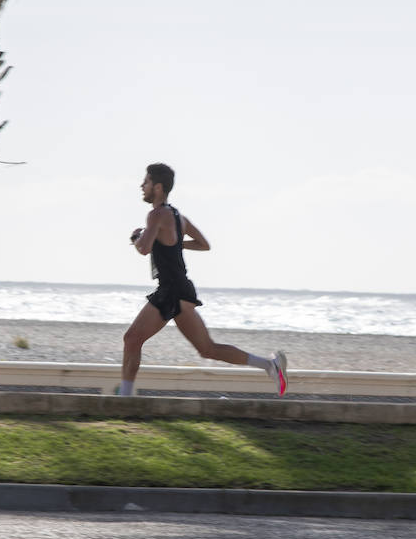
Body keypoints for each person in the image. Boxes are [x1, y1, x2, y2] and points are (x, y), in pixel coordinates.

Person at [116, 163, 288, 396]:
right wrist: (175, 243)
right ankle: (270, 364)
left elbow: (144, 249)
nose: (141, 186)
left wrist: (137, 237)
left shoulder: (155, 215)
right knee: (207, 349)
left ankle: (124, 398)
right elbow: (203, 244)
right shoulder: (179, 217)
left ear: (157, 187)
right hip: (182, 289)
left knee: (132, 339)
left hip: (170, 289)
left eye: (145, 182)